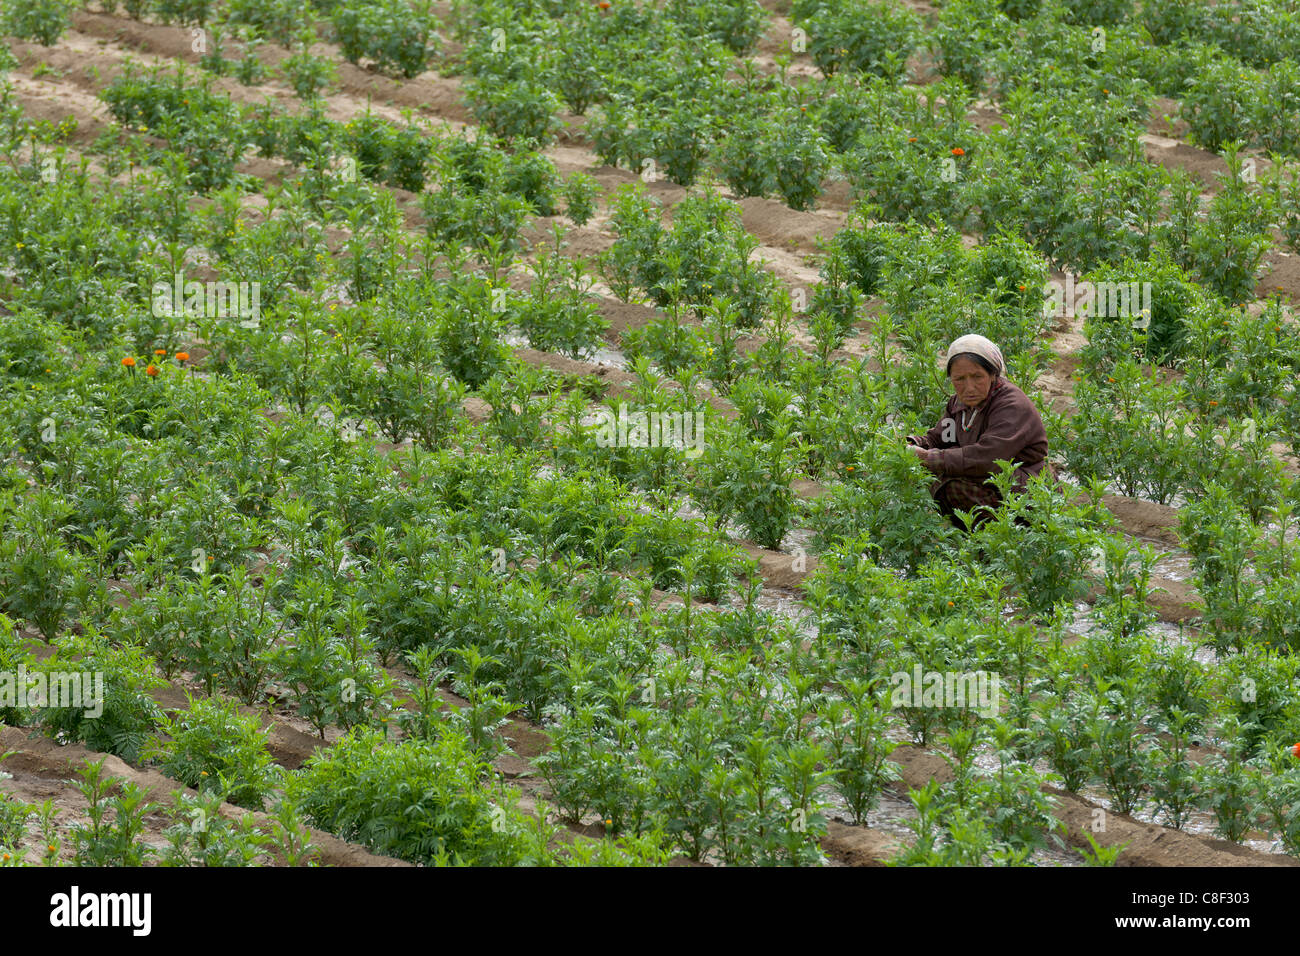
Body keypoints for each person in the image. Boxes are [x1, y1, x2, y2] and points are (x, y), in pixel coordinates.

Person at [905, 334, 1052, 530]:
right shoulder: (958, 404)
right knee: (936, 476)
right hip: (988, 480)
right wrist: (913, 444)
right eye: (959, 379)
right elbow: (942, 438)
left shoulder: (1011, 405)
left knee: (951, 487)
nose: (969, 387)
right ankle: (975, 538)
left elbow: (986, 458)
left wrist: (926, 458)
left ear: (993, 375)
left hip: (1023, 488)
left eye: (977, 377)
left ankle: (1004, 536)